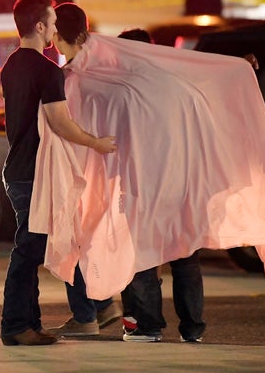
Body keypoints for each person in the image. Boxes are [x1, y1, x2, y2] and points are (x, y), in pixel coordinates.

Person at [0, 0, 116, 347]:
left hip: (17, 167)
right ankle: (15, 326)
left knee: (32, 248)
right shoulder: (45, 69)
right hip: (36, 171)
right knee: (28, 250)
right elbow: (59, 123)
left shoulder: (11, 65)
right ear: (39, 26)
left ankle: (29, 325)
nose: (54, 28)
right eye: (51, 22)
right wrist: (96, 142)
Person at [115, 27, 205, 343]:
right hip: (183, 183)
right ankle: (193, 328)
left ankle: (146, 325)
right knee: (186, 259)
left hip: (144, 185)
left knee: (142, 257)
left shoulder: (125, 90)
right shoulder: (182, 86)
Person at [47, 2, 123, 339]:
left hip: (80, 165)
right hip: (103, 164)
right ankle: (102, 304)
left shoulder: (71, 78)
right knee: (86, 238)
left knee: (72, 239)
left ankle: (87, 313)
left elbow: (64, 126)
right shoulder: (107, 71)